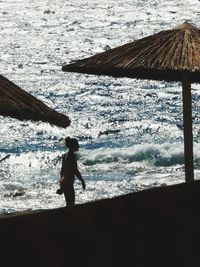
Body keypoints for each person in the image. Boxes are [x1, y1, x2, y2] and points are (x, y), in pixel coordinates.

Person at [56, 137, 85, 206]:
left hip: (64, 182)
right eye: (77, 144)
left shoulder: (65, 155)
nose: (78, 146)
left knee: (68, 203)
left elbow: (62, 171)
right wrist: (82, 181)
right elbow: (75, 171)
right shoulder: (72, 156)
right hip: (68, 183)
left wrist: (61, 185)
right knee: (71, 203)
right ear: (72, 146)